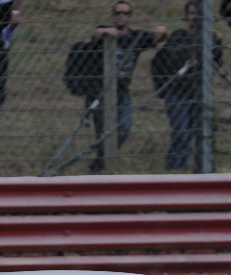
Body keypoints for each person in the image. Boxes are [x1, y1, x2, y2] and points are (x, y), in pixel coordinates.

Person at [86, 1, 167, 173]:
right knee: (102, 132)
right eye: (117, 13)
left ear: (130, 16)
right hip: (100, 90)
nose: (121, 16)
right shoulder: (105, 31)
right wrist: (105, 32)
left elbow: (159, 35)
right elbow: (95, 34)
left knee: (124, 127)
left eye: (125, 13)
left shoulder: (136, 37)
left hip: (122, 90)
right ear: (113, 16)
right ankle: (101, 167)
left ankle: (98, 163)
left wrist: (161, 31)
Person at [151, 1, 223, 170]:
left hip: (198, 94)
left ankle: (188, 166)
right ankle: (174, 166)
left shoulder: (208, 37)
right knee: (181, 132)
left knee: (195, 133)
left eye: (198, 14)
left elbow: (217, 64)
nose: (195, 17)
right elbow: (174, 60)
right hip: (177, 93)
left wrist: (218, 44)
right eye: (191, 13)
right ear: (186, 16)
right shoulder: (178, 36)